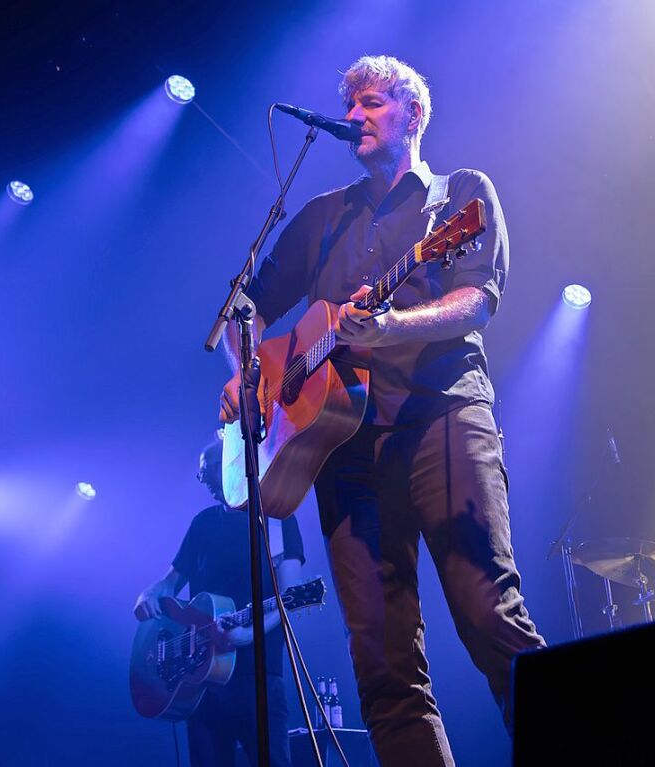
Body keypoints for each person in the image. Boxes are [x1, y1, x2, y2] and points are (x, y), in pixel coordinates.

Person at [218, 54, 545, 765]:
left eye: (371, 103)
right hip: (342, 450)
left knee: (490, 615)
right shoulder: (320, 218)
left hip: (440, 416)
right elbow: (243, 311)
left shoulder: (457, 198)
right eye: (352, 105)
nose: (356, 117)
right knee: (381, 664)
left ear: (413, 115)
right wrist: (249, 373)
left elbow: (475, 303)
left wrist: (390, 327)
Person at [134, 439, 305, 767]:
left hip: (258, 680)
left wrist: (247, 636)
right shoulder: (203, 523)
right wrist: (148, 594)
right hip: (200, 683)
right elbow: (170, 582)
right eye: (199, 475)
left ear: (233, 464)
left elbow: (293, 597)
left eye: (207, 470)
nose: (205, 481)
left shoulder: (277, 518)